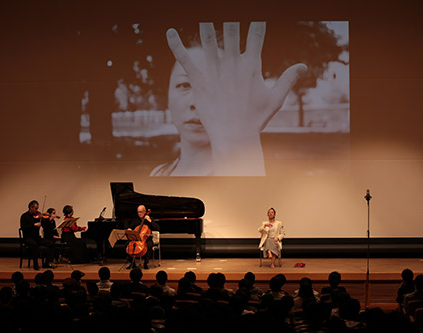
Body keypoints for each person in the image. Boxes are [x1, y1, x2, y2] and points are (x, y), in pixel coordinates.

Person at [151, 22, 307, 176]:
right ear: (168, 98)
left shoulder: (265, 175)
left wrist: (238, 145)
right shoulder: (157, 174)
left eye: (215, 88)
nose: (197, 103)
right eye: (184, 85)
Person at [19, 200, 56, 270]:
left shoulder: (38, 216)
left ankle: (46, 263)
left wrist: (49, 220)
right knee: (34, 245)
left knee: (51, 244)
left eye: (37, 208)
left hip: (36, 237)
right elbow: (23, 227)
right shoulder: (24, 216)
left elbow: (45, 226)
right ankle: (35, 264)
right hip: (28, 238)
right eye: (36, 208)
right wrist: (33, 225)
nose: (37, 210)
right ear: (31, 207)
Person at [126, 204, 160, 270]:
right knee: (126, 246)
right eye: (138, 212)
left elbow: (158, 228)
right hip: (136, 239)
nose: (139, 214)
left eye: (141, 212)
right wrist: (129, 229)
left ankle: (145, 263)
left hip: (147, 239)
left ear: (144, 212)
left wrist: (150, 220)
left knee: (149, 245)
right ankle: (132, 264)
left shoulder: (149, 219)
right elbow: (130, 227)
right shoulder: (136, 221)